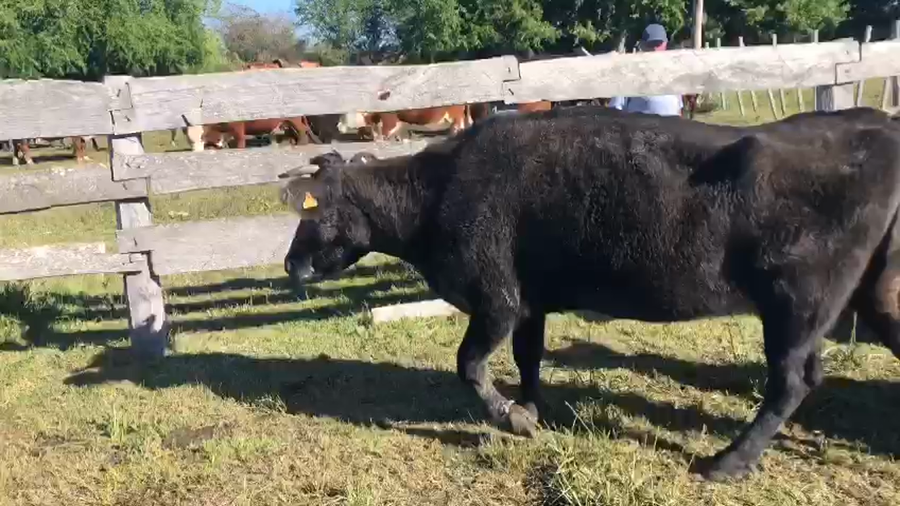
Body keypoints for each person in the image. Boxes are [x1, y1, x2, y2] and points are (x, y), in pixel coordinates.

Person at [608, 23, 684, 117]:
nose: (655, 49)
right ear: (643, 46)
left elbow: (679, 110)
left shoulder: (673, 74)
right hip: (639, 130)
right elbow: (614, 110)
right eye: (651, 44)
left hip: (672, 129)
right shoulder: (629, 74)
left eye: (658, 44)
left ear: (665, 45)